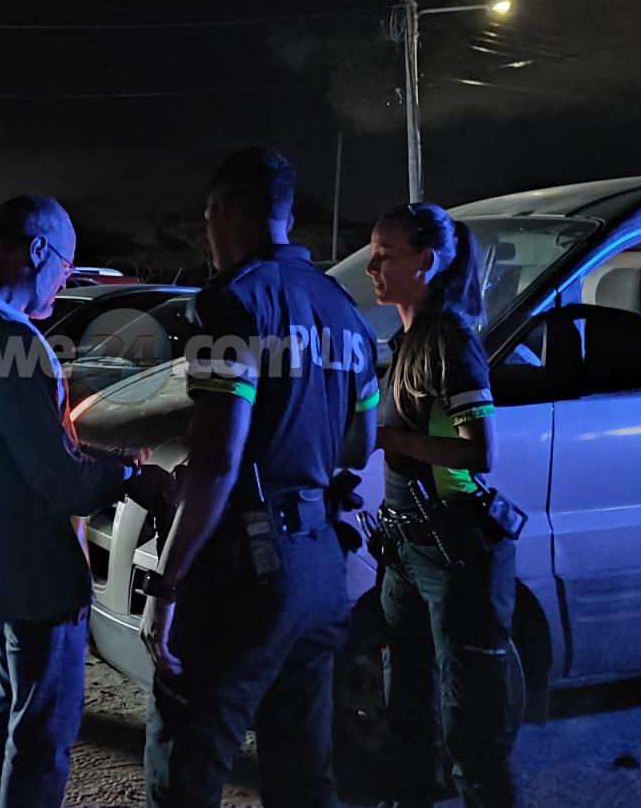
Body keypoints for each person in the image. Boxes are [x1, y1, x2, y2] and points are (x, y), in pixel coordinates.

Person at [140, 148, 380, 807]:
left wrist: (166, 585)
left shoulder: (229, 303)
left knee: (189, 762)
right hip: (321, 565)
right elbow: (360, 444)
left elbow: (219, 461)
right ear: (286, 215)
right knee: (303, 771)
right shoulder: (344, 309)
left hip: (246, 569)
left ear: (222, 213)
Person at [0, 194, 175, 808]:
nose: (66, 279)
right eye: (65, 265)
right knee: (42, 739)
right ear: (38, 249)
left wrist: (94, 450)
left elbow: (26, 444)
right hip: (41, 579)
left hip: (2, 572)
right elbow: (60, 478)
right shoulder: (10, 341)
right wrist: (130, 475)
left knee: (10, 722)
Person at [364, 202, 519, 808]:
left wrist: (385, 438)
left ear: (425, 262)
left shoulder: (451, 342)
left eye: (385, 255)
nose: (372, 267)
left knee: (470, 731)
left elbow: (479, 453)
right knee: (406, 713)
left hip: (454, 551)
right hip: (406, 548)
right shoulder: (407, 339)